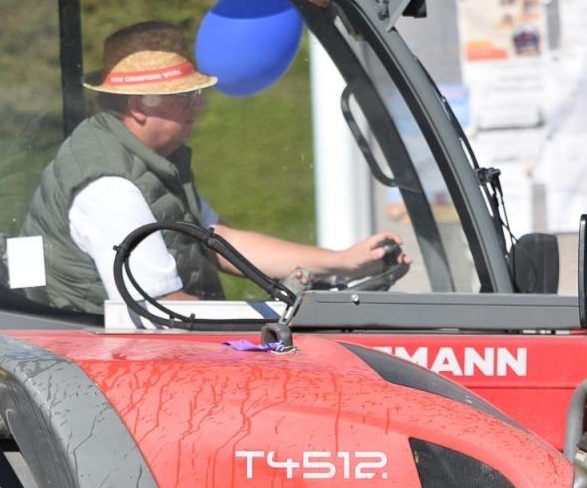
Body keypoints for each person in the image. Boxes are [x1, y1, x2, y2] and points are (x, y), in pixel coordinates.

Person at [25, 21, 403, 312]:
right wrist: (268, 323)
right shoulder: (111, 187)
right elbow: (164, 308)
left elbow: (221, 242)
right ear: (141, 106)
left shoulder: (148, 161)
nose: (199, 106)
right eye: (186, 97)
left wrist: (343, 263)